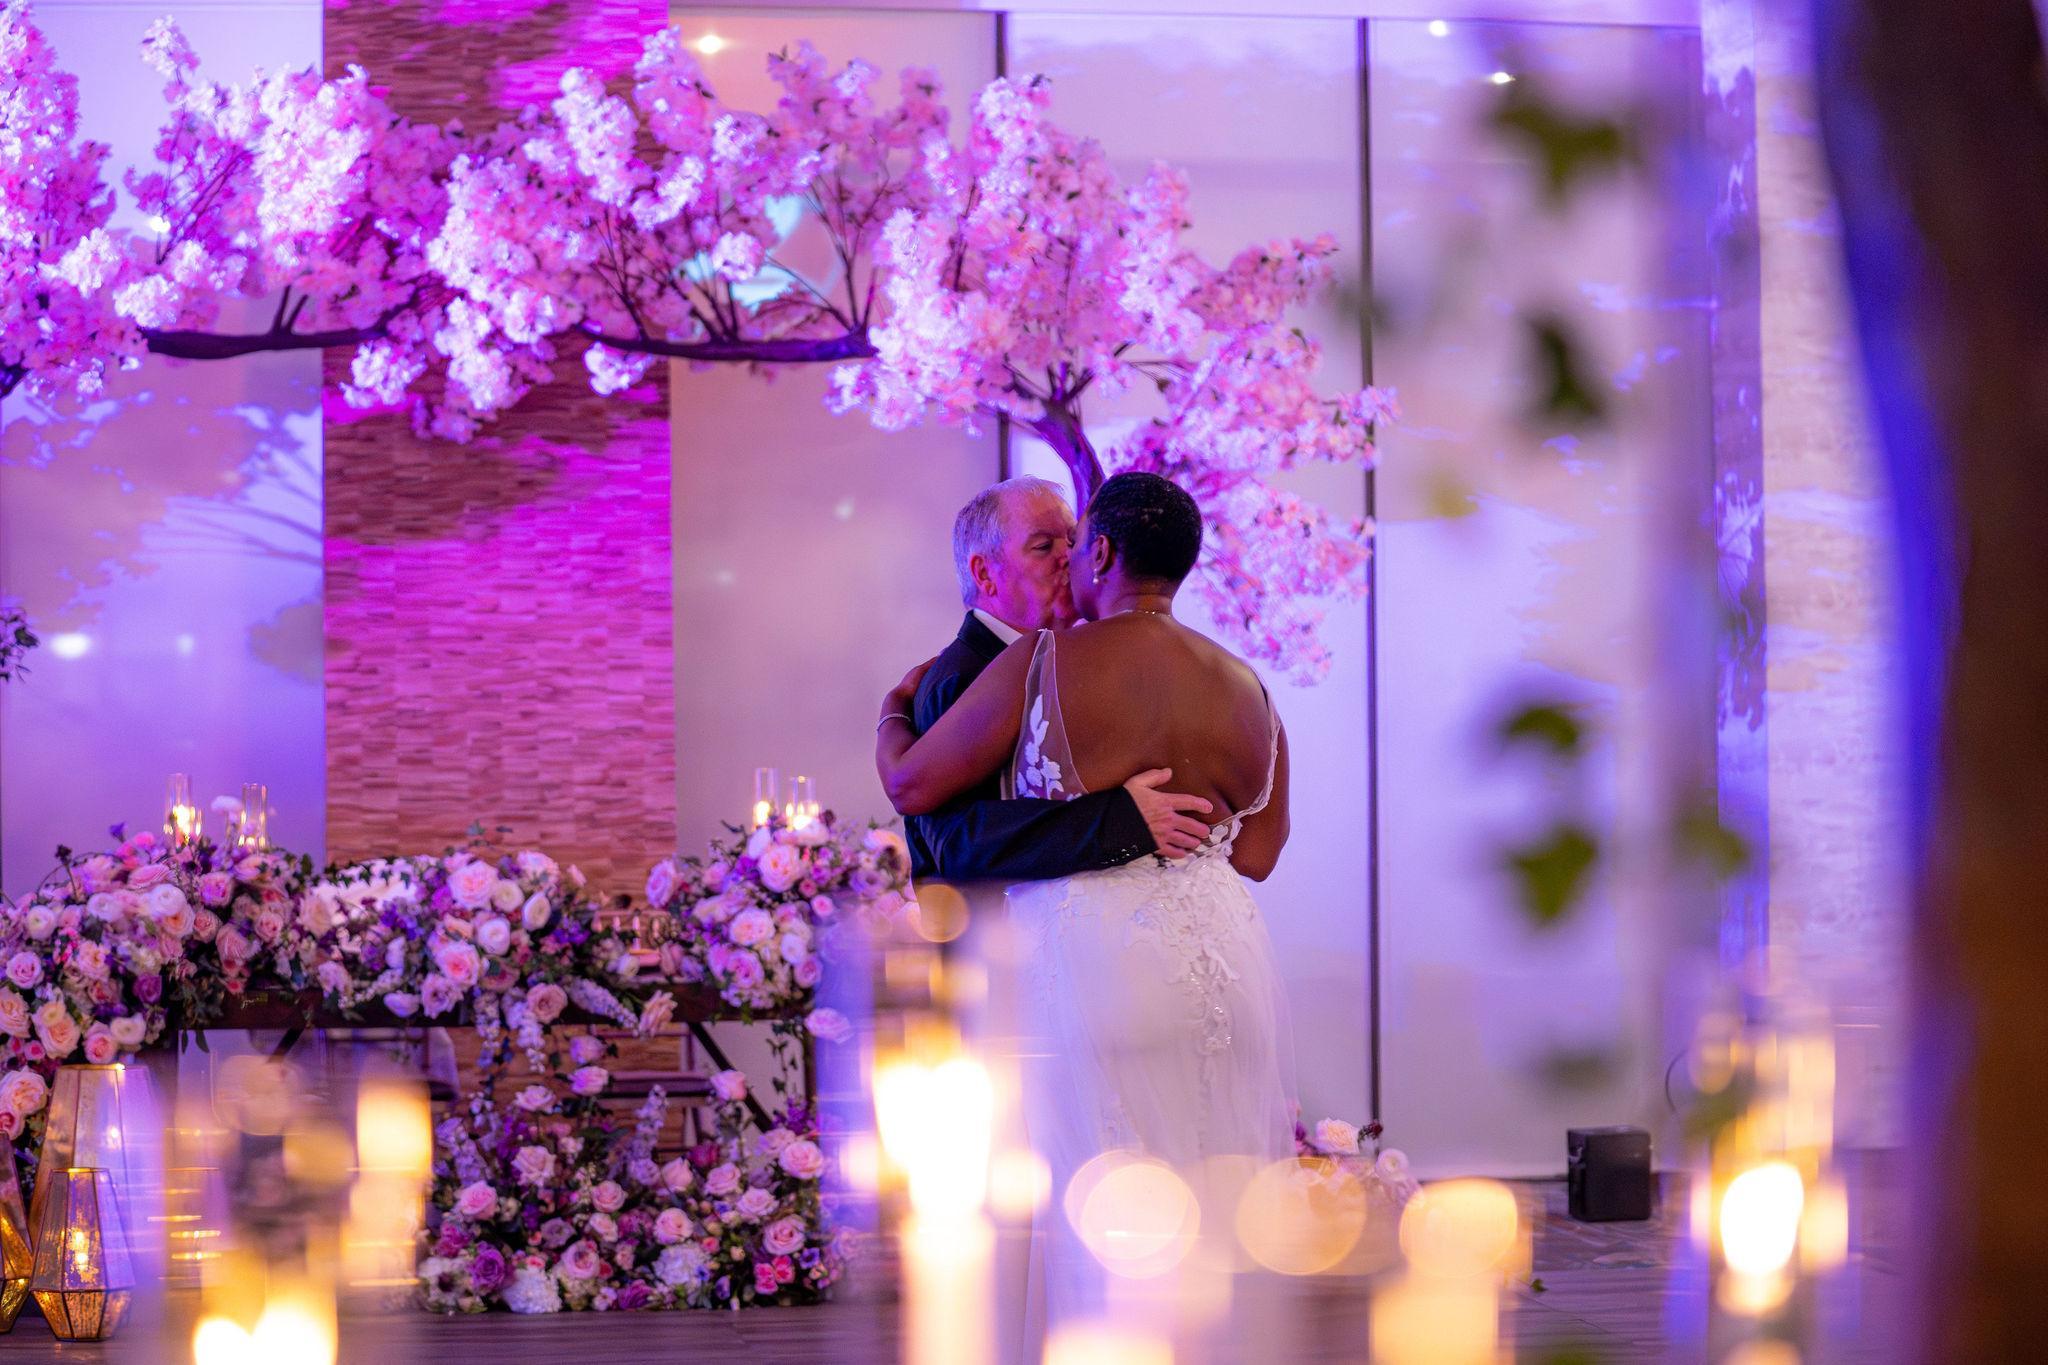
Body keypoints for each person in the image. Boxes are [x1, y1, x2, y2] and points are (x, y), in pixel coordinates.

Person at [874, 470, 1296, 1332]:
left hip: (1099, 956)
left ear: (1102, 552)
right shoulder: (1249, 684)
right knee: (1215, 1187)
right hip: (1228, 959)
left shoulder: (1042, 661)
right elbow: (1257, 852)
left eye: (1074, 544)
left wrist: (891, 712)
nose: (1066, 559)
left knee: (1106, 1197)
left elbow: (913, 785)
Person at [902, 476, 1216, 885]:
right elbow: (956, 842)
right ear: (984, 573)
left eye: (1071, 540)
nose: (1068, 557)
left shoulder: (1080, 663)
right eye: (1043, 546)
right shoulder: (958, 676)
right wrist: (1120, 819)